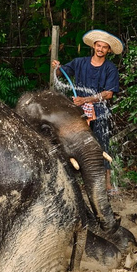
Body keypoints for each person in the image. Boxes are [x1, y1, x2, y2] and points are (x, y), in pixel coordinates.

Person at [52, 29, 123, 193]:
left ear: (108, 51)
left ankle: (107, 184)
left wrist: (86, 100)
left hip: (99, 112)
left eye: (104, 47)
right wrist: (57, 67)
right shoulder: (79, 62)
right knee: (73, 144)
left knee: (102, 144)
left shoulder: (110, 68)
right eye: (98, 46)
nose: (100, 49)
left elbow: (109, 94)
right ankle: (71, 182)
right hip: (78, 112)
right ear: (94, 46)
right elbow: (60, 74)